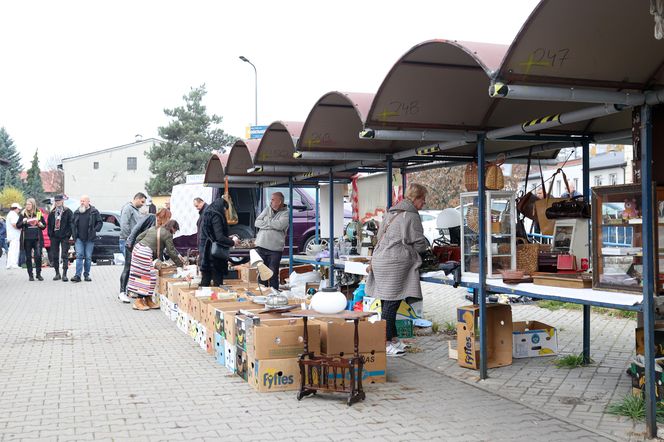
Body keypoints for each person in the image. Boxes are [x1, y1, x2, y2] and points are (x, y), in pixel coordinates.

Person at [365, 183, 429, 357]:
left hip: (381, 259)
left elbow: (380, 237)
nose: (424, 203)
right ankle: (385, 343)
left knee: (387, 302)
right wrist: (424, 248)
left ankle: (393, 339)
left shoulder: (392, 212)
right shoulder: (411, 215)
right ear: (415, 199)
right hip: (394, 263)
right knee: (391, 304)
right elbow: (418, 242)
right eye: (422, 199)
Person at [127, 220, 184, 311]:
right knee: (146, 277)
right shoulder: (168, 234)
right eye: (175, 230)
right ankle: (138, 302)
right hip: (145, 253)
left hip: (138, 250)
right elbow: (171, 251)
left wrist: (143, 246)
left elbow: (138, 237)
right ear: (173, 228)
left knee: (141, 276)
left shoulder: (154, 228)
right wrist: (180, 264)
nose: (174, 232)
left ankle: (148, 299)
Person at [119, 208, 171, 303]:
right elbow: (137, 228)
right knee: (128, 267)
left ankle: (136, 292)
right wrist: (130, 241)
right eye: (167, 218)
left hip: (144, 249)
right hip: (134, 245)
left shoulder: (160, 226)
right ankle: (122, 292)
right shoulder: (150, 217)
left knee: (141, 271)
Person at [199, 196, 239, 287]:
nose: (225, 212)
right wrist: (232, 242)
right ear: (222, 207)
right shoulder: (216, 216)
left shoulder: (207, 213)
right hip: (214, 255)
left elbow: (212, 233)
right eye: (225, 209)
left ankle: (201, 300)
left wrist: (227, 237)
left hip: (206, 251)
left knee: (205, 280)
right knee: (217, 282)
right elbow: (219, 237)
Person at [254, 192, 289, 289]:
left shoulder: (286, 213)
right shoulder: (267, 209)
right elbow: (257, 222)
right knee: (262, 273)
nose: (271, 201)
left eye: (273, 199)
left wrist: (266, 221)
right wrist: (272, 224)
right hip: (261, 245)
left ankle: (274, 295)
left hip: (275, 249)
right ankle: (262, 293)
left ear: (279, 201)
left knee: (273, 273)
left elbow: (280, 225)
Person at [71, 195, 103, 283]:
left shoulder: (94, 212)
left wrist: (94, 230)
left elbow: (100, 222)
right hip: (79, 238)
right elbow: (72, 224)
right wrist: (74, 235)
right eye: (81, 201)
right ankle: (77, 276)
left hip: (90, 238)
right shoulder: (77, 212)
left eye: (84, 201)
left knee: (88, 257)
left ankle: (86, 275)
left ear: (88, 202)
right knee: (79, 256)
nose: (82, 202)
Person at [16, 198, 47, 281]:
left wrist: (41, 224)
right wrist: (23, 222)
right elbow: (18, 225)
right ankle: (30, 275)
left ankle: (38, 274)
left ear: (33, 204)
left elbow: (44, 226)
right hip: (27, 239)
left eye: (29, 204)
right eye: (26, 204)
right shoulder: (23, 214)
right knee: (28, 257)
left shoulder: (38, 213)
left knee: (38, 256)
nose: (27, 206)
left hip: (37, 238)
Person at [47, 195, 74, 281]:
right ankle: (57, 273)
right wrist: (50, 234)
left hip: (64, 236)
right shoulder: (52, 212)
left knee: (64, 255)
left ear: (62, 201)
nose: (57, 202)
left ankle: (64, 274)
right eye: (56, 201)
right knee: (55, 255)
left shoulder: (68, 211)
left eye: (59, 201)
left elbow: (71, 224)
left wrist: (68, 234)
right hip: (54, 236)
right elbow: (49, 224)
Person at [5, 203, 22, 269]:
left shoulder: (10, 214)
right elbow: (14, 224)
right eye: (18, 209)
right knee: (15, 250)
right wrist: (21, 227)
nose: (19, 210)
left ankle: (9, 264)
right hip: (14, 235)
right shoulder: (13, 214)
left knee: (11, 250)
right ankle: (14, 264)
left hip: (12, 235)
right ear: (15, 208)